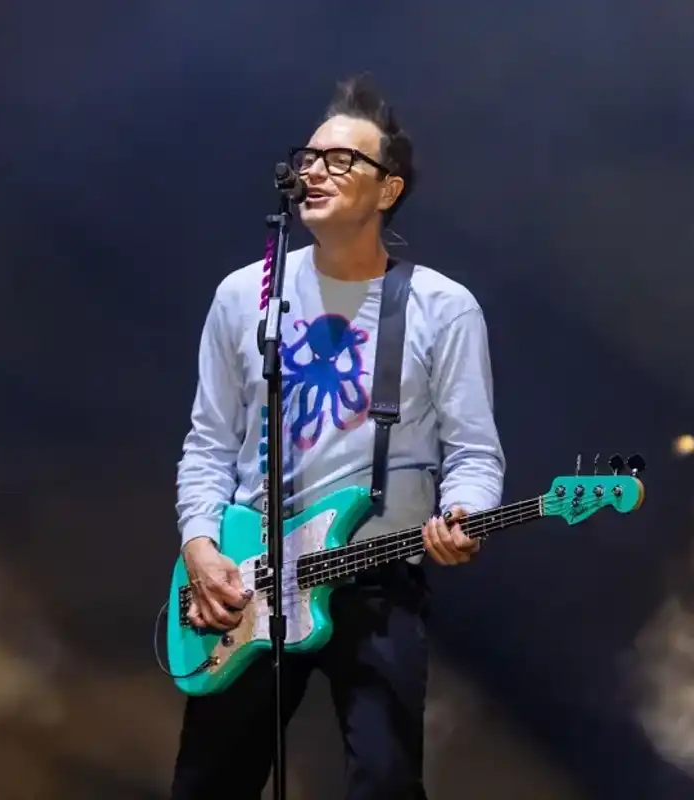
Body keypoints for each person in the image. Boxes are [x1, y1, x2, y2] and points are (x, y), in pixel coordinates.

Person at [170, 75, 506, 800]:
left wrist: (464, 516)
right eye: (309, 159)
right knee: (208, 787)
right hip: (248, 581)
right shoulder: (244, 295)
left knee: (385, 785)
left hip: (377, 584)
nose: (313, 171)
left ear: (388, 190)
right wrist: (201, 551)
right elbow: (207, 444)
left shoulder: (442, 309)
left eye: (342, 161)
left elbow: (474, 455)